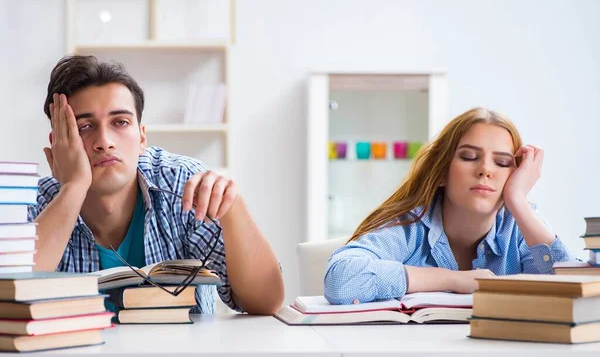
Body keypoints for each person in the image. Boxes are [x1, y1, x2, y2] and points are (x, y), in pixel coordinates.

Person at [29, 55, 284, 315]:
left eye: (120, 122)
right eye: (84, 126)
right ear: (59, 142)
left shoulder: (182, 182)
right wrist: (74, 186)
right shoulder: (33, 202)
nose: (104, 141)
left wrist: (233, 207)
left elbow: (265, 303)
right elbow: (8, 297)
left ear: (141, 137)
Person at [324, 107, 572, 305]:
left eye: (502, 162)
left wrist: (518, 201)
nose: (485, 169)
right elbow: (341, 280)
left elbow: (576, 293)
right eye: (469, 157)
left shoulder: (521, 226)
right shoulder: (410, 226)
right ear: (442, 172)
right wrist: (455, 280)